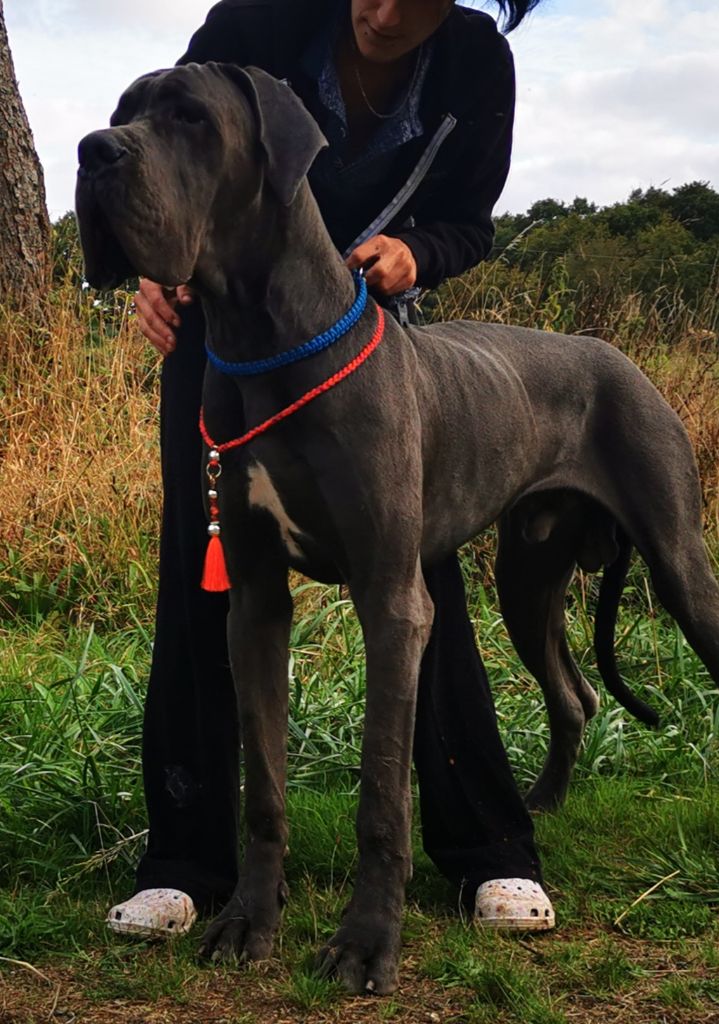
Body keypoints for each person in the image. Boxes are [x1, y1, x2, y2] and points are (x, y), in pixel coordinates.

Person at [107, 0, 555, 940]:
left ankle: (486, 853)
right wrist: (154, 268)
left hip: (358, 346)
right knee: (205, 571)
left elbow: (466, 223)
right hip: (223, 344)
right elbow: (163, 142)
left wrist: (415, 251)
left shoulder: (475, 61)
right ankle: (186, 862)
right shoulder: (259, 21)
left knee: (418, 580)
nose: (382, 11)